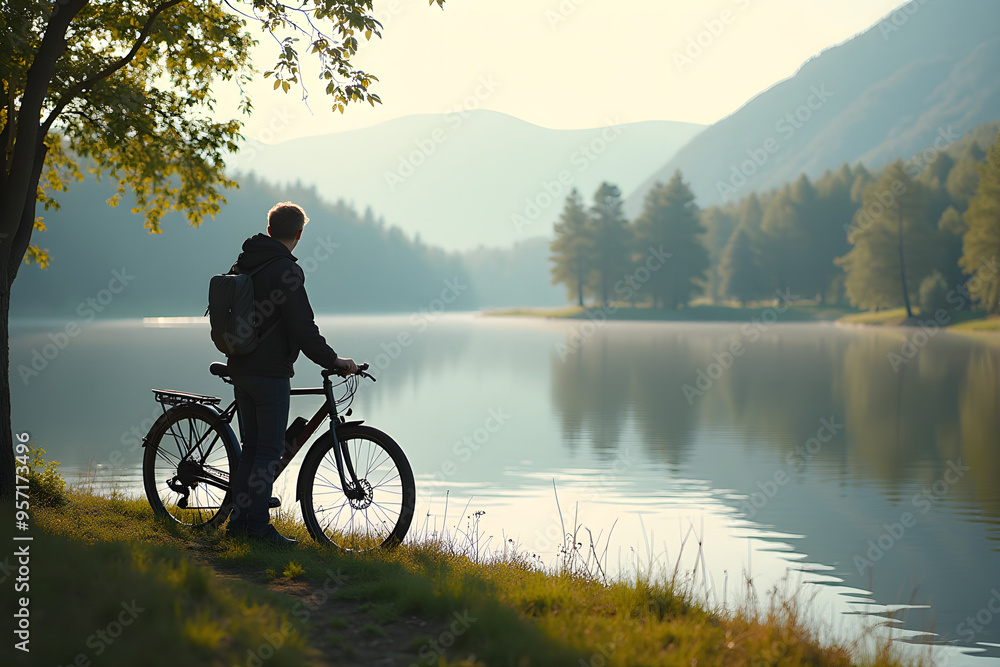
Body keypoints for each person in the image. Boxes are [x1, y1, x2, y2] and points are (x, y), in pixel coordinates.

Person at [225, 201, 357, 546]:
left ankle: (238, 525)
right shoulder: (285, 270)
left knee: (252, 448)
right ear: (299, 234)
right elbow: (302, 328)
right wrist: (334, 361)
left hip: (241, 366)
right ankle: (256, 528)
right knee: (267, 451)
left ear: (270, 230)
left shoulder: (245, 262)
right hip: (269, 373)